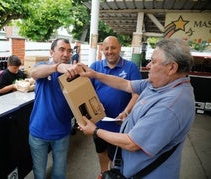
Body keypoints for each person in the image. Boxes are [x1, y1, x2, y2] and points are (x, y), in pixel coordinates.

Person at [78, 38, 195, 178]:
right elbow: (126, 85)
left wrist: (95, 131)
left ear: (172, 68)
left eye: (153, 61)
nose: (148, 65)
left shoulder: (171, 105)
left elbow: (132, 143)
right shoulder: (159, 84)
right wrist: (95, 75)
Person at [28, 38, 80, 179]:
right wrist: (56, 67)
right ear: (52, 52)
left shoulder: (73, 74)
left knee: (59, 171)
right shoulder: (43, 67)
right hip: (39, 131)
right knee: (39, 171)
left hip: (61, 132)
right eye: (61, 49)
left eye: (69, 51)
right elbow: (34, 73)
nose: (66, 54)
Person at [91, 36, 141, 179]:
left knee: (116, 155)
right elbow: (88, 91)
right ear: (102, 50)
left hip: (119, 124)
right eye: (106, 48)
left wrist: (126, 112)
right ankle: (102, 172)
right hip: (99, 122)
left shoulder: (130, 67)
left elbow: (136, 94)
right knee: (101, 151)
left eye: (113, 47)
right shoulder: (95, 67)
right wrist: (95, 103)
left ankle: (113, 175)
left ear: (119, 48)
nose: (109, 51)